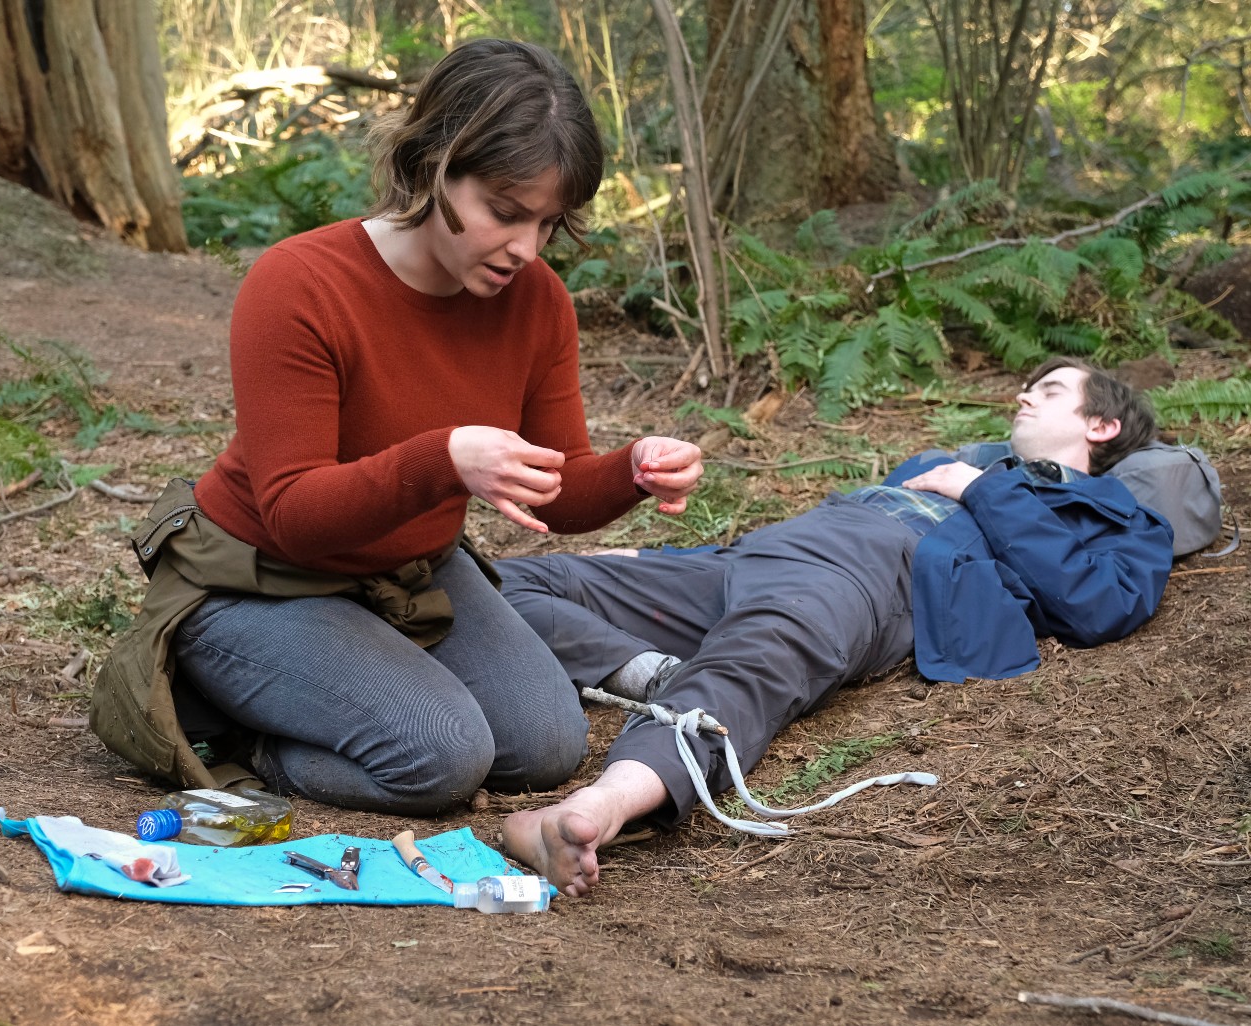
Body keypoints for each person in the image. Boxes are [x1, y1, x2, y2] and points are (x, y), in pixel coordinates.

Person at [89, 39, 702, 815]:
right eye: (505, 213)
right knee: (440, 758)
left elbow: (557, 492)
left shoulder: (536, 301)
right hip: (257, 581)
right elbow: (294, 514)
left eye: (549, 223)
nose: (526, 248)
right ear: (432, 163)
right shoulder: (301, 285)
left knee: (547, 745)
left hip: (404, 578)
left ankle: (348, 689)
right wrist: (443, 459)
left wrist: (632, 472)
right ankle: (234, 725)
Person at [496, 357, 1176, 897]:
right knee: (516, 582)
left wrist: (977, 489)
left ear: (1102, 426)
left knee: (760, 652)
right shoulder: (952, 462)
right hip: (758, 557)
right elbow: (812, 535)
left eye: (1050, 391)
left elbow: (1099, 606)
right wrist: (657, 561)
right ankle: (649, 674)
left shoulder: (1118, 517)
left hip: (878, 570)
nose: (1024, 397)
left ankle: (598, 807)